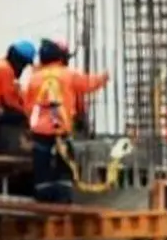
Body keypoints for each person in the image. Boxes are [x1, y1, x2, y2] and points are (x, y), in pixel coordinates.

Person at [24, 37, 109, 203]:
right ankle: (63, 200)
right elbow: (88, 83)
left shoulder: (34, 78)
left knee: (42, 168)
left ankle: (43, 198)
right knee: (65, 167)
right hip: (61, 129)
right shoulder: (67, 74)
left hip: (40, 132)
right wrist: (103, 78)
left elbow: (28, 105)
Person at [0, 40, 37, 152]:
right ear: (19, 61)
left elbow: (12, 94)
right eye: (24, 65)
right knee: (19, 117)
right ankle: (13, 147)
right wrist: (27, 114)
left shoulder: (0, 64)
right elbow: (10, 101)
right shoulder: (5, 70)